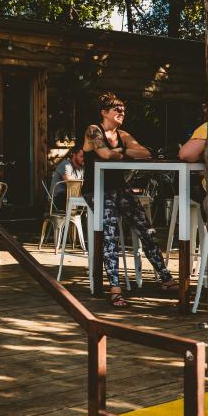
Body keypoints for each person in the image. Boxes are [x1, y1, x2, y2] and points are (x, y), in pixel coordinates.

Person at [82, 92, 177, 307]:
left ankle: (165, 278)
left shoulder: (123, 134)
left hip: (119, 188)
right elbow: (104, 155)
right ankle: (115, 287)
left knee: (146, 228)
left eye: (124, 110)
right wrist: (124, 152)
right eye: (117, 109)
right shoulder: (93, 130)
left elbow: (144, 152)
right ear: (104, 112)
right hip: (97, 189)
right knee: (111, 232)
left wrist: (120, 151)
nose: (122, 112)